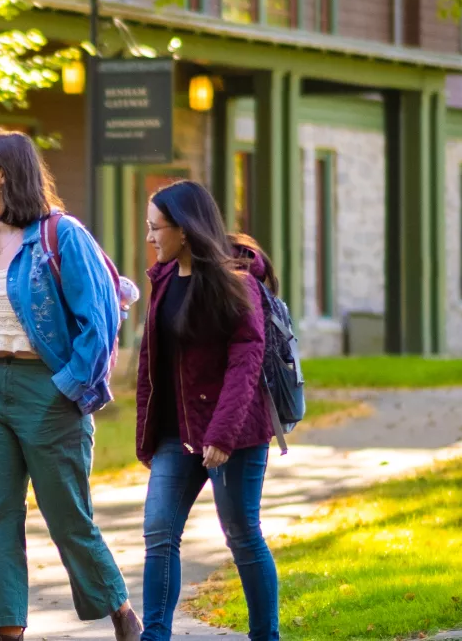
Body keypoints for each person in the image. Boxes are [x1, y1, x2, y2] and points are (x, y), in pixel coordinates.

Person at [0, 131, 144, 641]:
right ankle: (5, 632)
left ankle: (120, 610)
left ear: (5, 174)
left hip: (49, 390)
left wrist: (69, 386)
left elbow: (98, 320)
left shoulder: (62, 234)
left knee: (67, 517)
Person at [136, 180, 279, 641]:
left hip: (232, 434)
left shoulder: (236, 283)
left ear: (185, 228)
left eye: (157, 228)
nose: (151, 237)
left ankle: (266, 636)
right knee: (159, 532)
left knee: (241, 535)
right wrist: (149, 432)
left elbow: (246, 360)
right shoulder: (161, 280)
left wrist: (222, 434)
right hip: (176, 435)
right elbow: (153, 365)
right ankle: (154, 636)